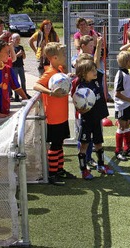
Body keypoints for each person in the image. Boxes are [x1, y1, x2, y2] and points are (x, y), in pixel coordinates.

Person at [32, 42, 77, 184]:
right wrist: (51, 93)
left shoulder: (60, 70)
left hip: (63, 115)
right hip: (54, 117)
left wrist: (68, 76)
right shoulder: (49, 72)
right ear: (54, 58)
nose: (65, 56)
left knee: (60, 143)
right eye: (63, 54)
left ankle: (59, 169)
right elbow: (36, 85)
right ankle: (52, 174)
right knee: (55, 144)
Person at [75, 59, 113, 180]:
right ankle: (83, 170)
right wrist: (81, 108)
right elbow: (78, 105)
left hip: (97, 119)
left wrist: (98, 45)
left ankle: (101, 166)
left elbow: (96, 61)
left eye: (94, 69)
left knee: (98, 143)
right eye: (92, 70)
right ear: (84, 73)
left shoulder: (96, 81)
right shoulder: (81, 88)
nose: (95, 71)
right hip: (87, 120)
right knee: (85, 145)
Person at [113, 51, 130, 161]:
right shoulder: (121, 75)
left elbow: (126, 90)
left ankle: (127, 148)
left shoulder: (127, 73)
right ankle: (118, 151)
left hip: (128, 104)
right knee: (121, 127)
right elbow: (117, 93)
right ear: (127, 62)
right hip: (121, 106)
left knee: (127, 127)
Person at [0, 39, 28, 116]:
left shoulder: (7, 69)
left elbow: (16, 86)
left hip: (5, 109)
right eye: (7, 52)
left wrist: (26, 99)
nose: (9, 55)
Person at [11, 33, 27, 101]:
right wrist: (17, 55)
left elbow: (24, 57)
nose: (18, 40)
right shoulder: (11, 48)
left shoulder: (21, 47)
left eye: (19, 39)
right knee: (16, 82)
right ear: (13, 39)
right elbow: (11, 58)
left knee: (23, 80)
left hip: (21, 66)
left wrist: (22, 54)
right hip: (14, 66)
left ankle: (24, 93)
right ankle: (16, 95)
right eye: (16, 39)